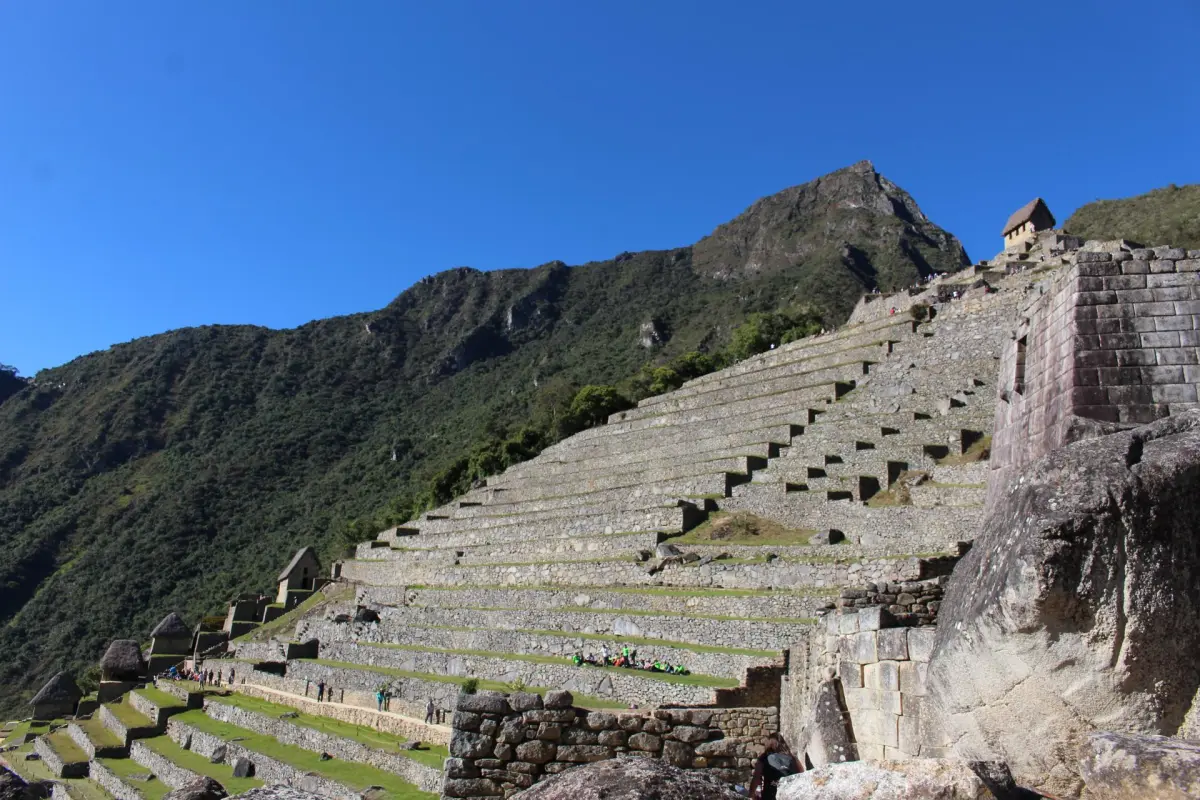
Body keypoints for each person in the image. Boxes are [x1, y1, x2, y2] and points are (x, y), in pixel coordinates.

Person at [749, 736, 798, 800]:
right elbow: (800, 774)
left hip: (770, 796)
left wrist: (751, 795)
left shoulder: (764, 758)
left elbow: (756, 778)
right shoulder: (792, 757)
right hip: (791, 794)